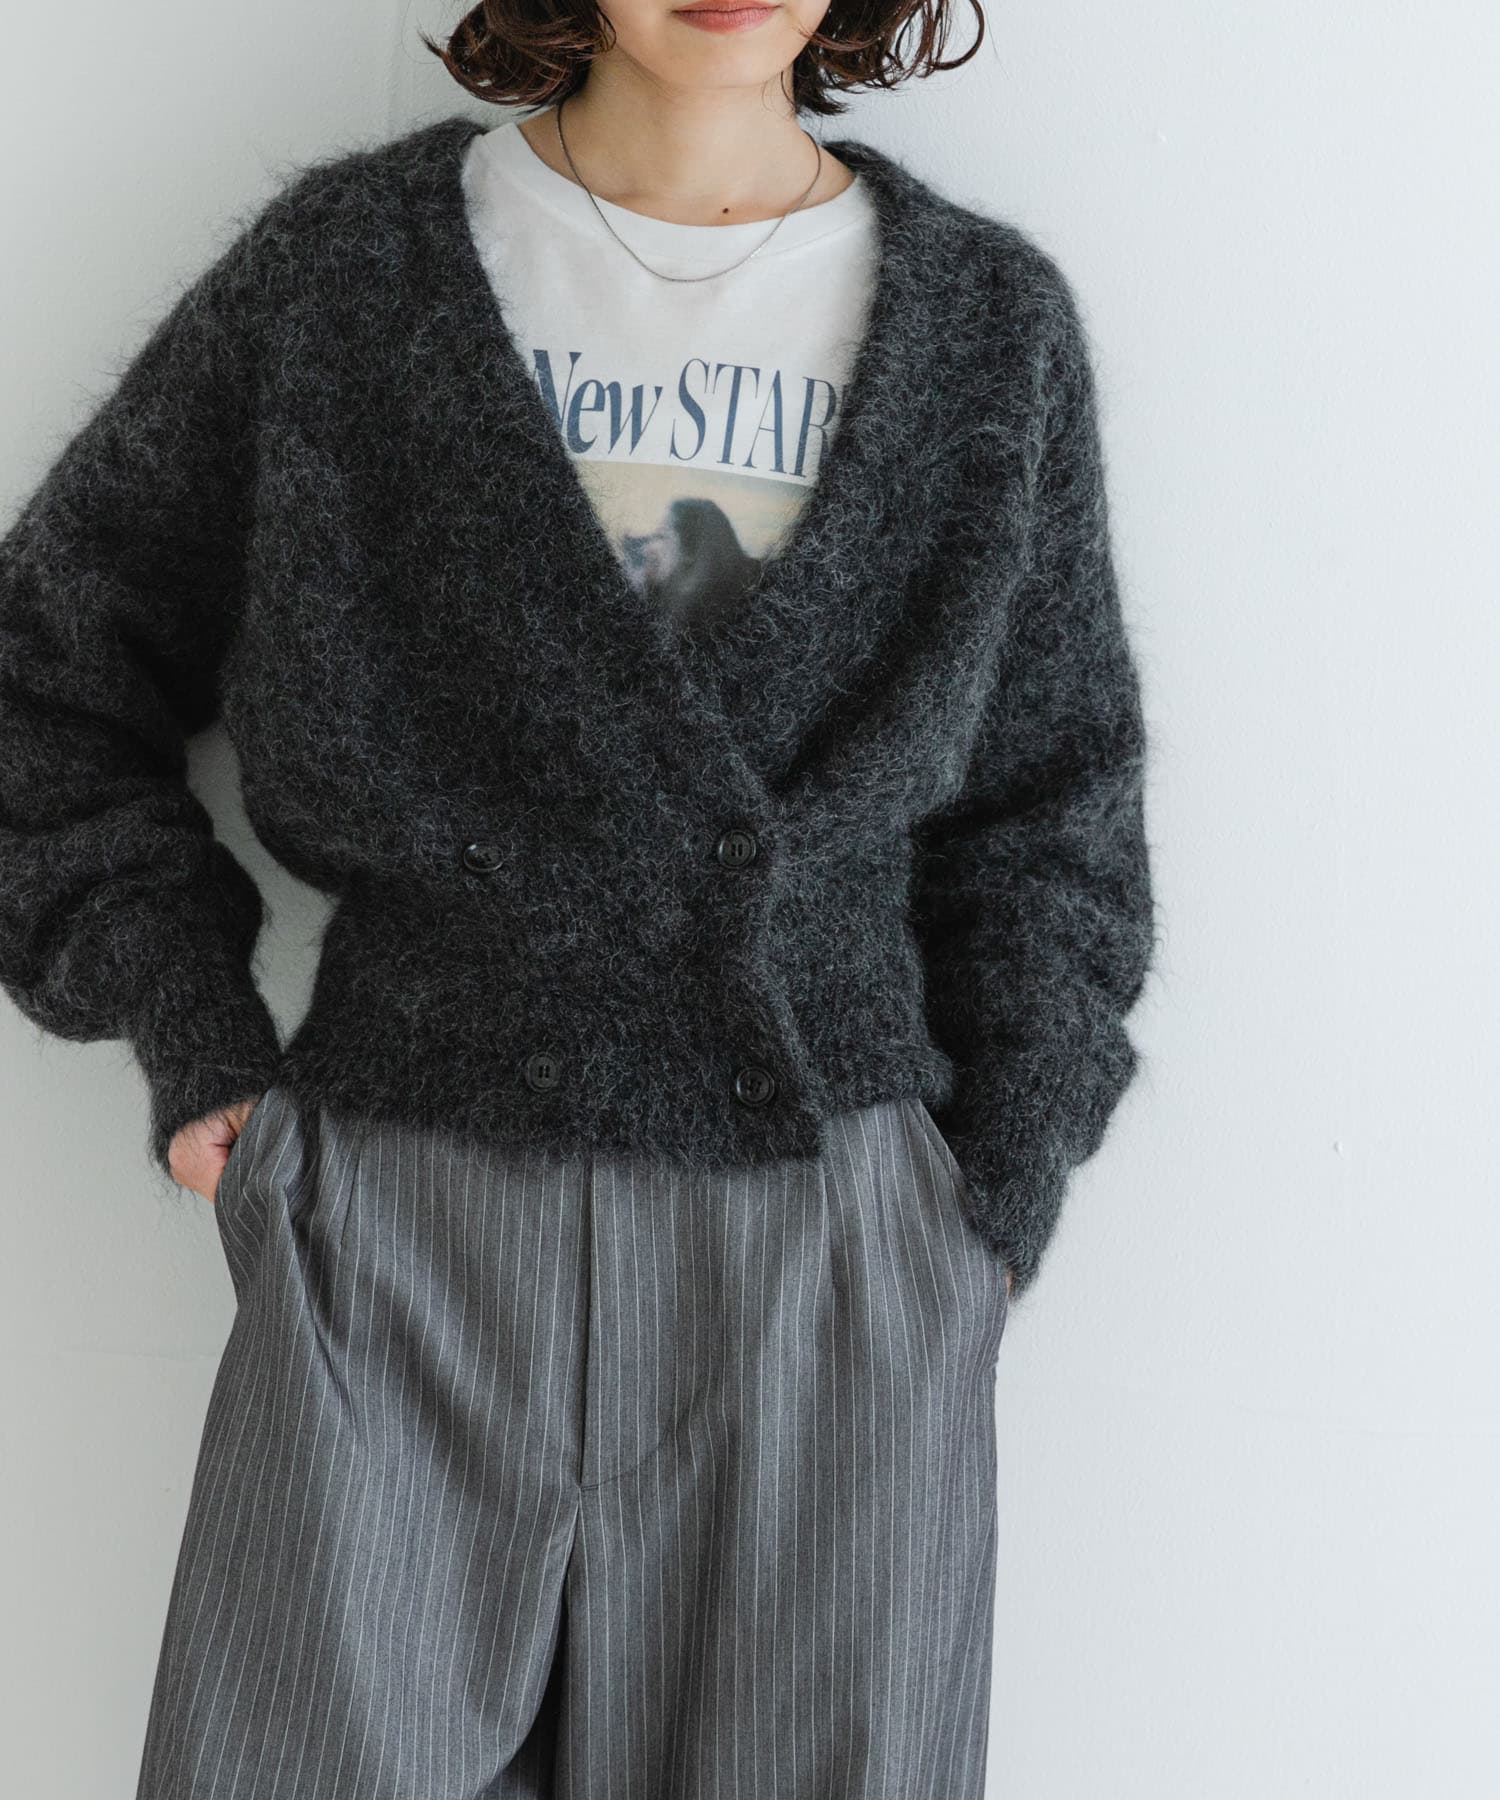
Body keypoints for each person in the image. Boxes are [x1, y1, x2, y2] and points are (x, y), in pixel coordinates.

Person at [0, 0, 1157, 1793]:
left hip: (828, 1253)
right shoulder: (350, 279)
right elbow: (45, 678)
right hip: (406, 1210)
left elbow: (1052, 810)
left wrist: (982, 1202)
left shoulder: (987, 331)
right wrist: (192, 1035)